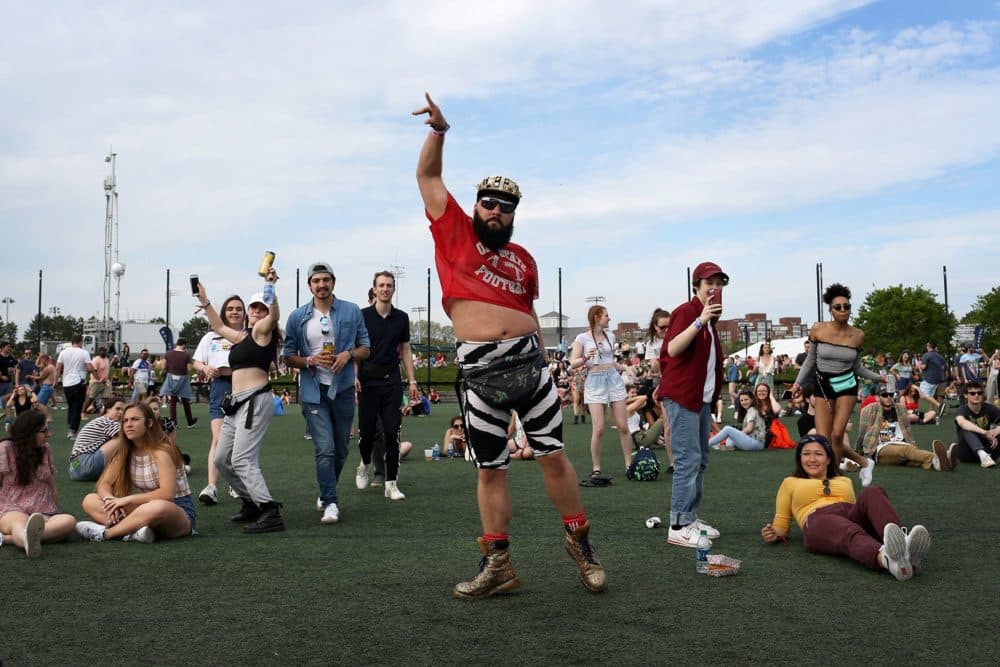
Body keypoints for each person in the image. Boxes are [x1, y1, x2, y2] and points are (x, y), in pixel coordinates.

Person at [415, 92, 606, 598]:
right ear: (476, 205)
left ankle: (581, 546)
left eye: (507, 206)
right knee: (491, 470)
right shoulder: (453, 232)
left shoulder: (524, 258)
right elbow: (428, 179)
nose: (497, 210)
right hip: (479, 377)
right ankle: (498, 564)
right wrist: (439, 132)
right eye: (489, 202)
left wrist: (545, 356)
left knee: (554, 457)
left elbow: (528, 313)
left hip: (530, 368)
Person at [761, 434, 930, 580]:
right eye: (806, 454)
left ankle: (905, 545)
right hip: (818, 520)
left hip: (848, 513)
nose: (812, 459)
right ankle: (887, 560)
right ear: (800, 458)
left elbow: (859, 512)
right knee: (847, 531)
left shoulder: (844, 480)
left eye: (818, 454)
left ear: (828, 459)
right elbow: (781, 527)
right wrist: (773, 533)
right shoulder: (790, 482)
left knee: (872, 492)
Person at [196, 271, 286, 533]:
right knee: (222, 459)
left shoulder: (261, 331)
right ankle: (250, 503)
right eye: (253, 307)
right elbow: (219, 327)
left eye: (261, 308)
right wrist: (204, 301)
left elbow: (275, 316)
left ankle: (269, 511)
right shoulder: (244, 336)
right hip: (237, 405)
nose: (256, 311)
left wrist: (270, 287)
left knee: (242, 459)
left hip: (254, 401)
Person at [282, 261, 370, 525]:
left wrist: (349, 354)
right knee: (326, 448)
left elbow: (366, 347)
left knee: (341, 448)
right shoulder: (297, 317)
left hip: (342, 388)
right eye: (316, 280)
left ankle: (325, 489)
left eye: (325, 280)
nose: (321, 285)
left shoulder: (352, 311)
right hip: (313, 390)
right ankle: (331, 502)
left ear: (333, 282)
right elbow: (288, 356)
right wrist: (310, 361)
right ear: (310, 285)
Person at [655, 261, 727, 548]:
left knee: (700, 460)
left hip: (700, 399)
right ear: (696, 285)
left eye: (719, 283)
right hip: (683, 396)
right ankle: (678, 524)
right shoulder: (687, 312)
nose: (715, 288)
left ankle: (690, 518)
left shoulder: (709, 320)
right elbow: (671, 349)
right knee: (687, 460)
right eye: (709, 282)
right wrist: (701, 320)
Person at [792, 283, 885, 487]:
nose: (843, 310)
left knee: (837, 434)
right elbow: (810, 360)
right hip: (823, 385)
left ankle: (830, 480)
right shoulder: (818, 329)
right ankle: (863, 462)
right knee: (824, 438)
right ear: (830, 310)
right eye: (838, 307)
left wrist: (880, 378)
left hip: (847, 385)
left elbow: (858, 367)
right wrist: (797, 384)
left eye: (847, 306)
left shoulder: (857, 335)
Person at [75, 402, 195, 543]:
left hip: (176, 510)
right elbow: (104, 483)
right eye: (125, 421)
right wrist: (110, 500)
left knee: (157, 506)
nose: (128, 424)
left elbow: (166, 494)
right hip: (144, 508)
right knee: (90, 500)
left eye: (135, 419)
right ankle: (134, 532)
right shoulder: (125, 453)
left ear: (149, 423)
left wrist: (127, 500)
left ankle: (106, 534)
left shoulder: (162, 451)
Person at [355, 270, 419, 501]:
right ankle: (364, 463)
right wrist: (354, 376)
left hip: (391, 381)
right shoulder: (361, 316)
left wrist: (412, 380)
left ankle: (391, 483)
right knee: (368, 434)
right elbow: (355, 349)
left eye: (389, 285)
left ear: (393, 289)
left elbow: (406, 350)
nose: (385, 289)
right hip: (367, 382)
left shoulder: (401, 318)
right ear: (374, 289)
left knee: (393, 433)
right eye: (381, 285)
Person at [191, 294, 245, 505]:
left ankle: (236, 483)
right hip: (220, 387)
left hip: (244, 387)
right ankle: (211, 486)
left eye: (238, 308)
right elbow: (196, 362)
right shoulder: (210, 337)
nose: (234, 312)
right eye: (230, 308)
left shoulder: (248, 336)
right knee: (218, 439)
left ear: (244, 313)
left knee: (241, 440)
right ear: (223, 312)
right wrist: (205, 368)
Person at [0, 411, 77, 557]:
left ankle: (9, 539)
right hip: (11, 508)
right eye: (44, 431)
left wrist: (56, 509)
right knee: (19, 522)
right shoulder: (6, 448)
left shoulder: (45, 449)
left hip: (43, 510)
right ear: (29, 431)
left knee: (69, 521)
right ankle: (27, 540)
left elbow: (51, 486)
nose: (48, 434)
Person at [569, 305, 633, 478]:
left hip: (613, 378)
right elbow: (572, 363)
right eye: (606, 315)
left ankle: (629, 465)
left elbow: (611, 362)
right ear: (597, 317)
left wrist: (625, 368)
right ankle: (596, 468)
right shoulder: (582, 338)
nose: (609, 318)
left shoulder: (610, 336)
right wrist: (585, 357)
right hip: (594, 380)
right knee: (599, 429)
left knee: (623, 425)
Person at [857, 389, 955, 472]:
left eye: (890, 394)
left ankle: (938, 464)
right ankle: (941, 457)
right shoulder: (869, 410)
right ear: (878, 397)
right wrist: (858, 453)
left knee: (912, 459)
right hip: (880, 448)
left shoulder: (900, 409)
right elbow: (862, 432)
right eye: (884, 395)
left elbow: (908, 430)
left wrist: (912, 444)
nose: (888, 397)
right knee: (906, 451)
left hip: (901, 445)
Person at [68, 396, 125, 481]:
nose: (121, 412)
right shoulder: (108, 422)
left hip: (73, 468)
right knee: (124, 438)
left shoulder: (100, 420)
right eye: (117, 409)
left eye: (123, 410)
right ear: (108, 409)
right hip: (84, 464)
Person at [55, 334, 94, 440]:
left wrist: (55, 381)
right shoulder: (84, 352)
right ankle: (73, 431)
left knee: (71, 406)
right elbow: (90, 367)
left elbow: (58, 367)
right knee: (77, 407)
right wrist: (96, 374)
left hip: (66, 383)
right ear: (81, 342)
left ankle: (70, 427)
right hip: (78, 382)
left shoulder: (63, 352)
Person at [953, 381, 1000, 468]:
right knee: (967, 428)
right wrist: (985, 433)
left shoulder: (989, 408)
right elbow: (962, 422)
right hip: (967, 453)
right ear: (966, 395)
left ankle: (985, 456)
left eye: (979, 393)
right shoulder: (962, 409)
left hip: (990, 452)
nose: (976, 395)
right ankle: (982, 455)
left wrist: (996, 431)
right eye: (972, 393)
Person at [160, 338, 198, 428]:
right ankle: (190, 421)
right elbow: (189, 368)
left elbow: (163, 365)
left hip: (171, 377)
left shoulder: (168, 353)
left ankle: (174, 423)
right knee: (185, 400)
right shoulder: (186, 354)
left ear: (177, 344)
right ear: (184, 345)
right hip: (183, 378)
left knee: (173, 401)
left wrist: (167, 370)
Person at [82, 347, 110, 416]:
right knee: (91, 398)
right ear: (99, 352)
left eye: (105, 351)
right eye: (102, 351)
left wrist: (107, 379)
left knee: (106, 398)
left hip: (105, 382)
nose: (104, 352)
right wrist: (100, 380)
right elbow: (93, 371)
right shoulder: (96, 360)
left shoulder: (107, 359)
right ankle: (83, 412)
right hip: (96, 382)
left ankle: (104, 413)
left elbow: (106, 371)